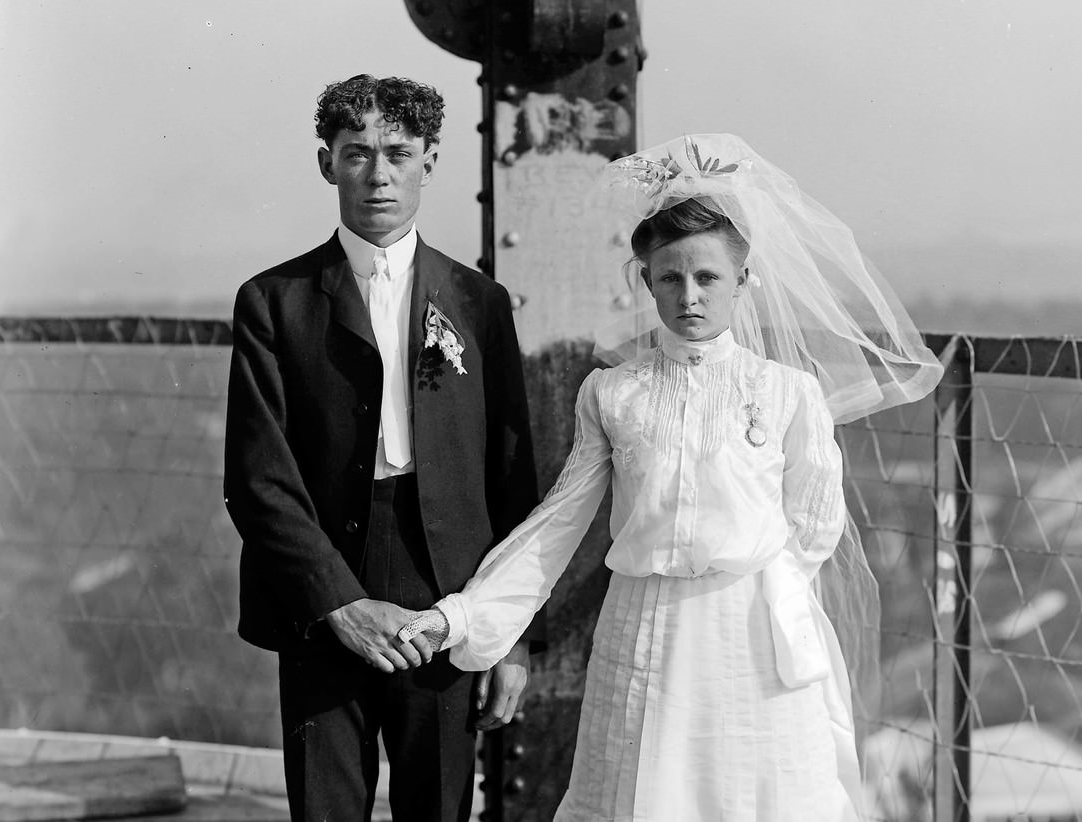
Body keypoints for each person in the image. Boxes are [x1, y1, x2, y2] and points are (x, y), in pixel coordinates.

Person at [399, 134, 943, 821]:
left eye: (708, 278)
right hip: (646, 634)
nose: (689, 296)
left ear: (743, 282)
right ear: (646, 280)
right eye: (670, 278)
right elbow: (559, 523)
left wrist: (744, 585)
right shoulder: (613, 394)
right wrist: (464, 616)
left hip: (756, 642)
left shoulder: (787, 394)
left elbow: (812, 527)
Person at [223, 75, 541, 822]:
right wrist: (338, 604)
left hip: (449, 589)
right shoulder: (273, 300)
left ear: (430, 160)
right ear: (326, 163)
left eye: (398, 153)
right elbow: (257, 476)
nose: (379, 174)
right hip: (322, 579)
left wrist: (514, 637)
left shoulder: (479, 303)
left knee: (439, 805)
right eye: (357, 153)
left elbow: (512, 478)